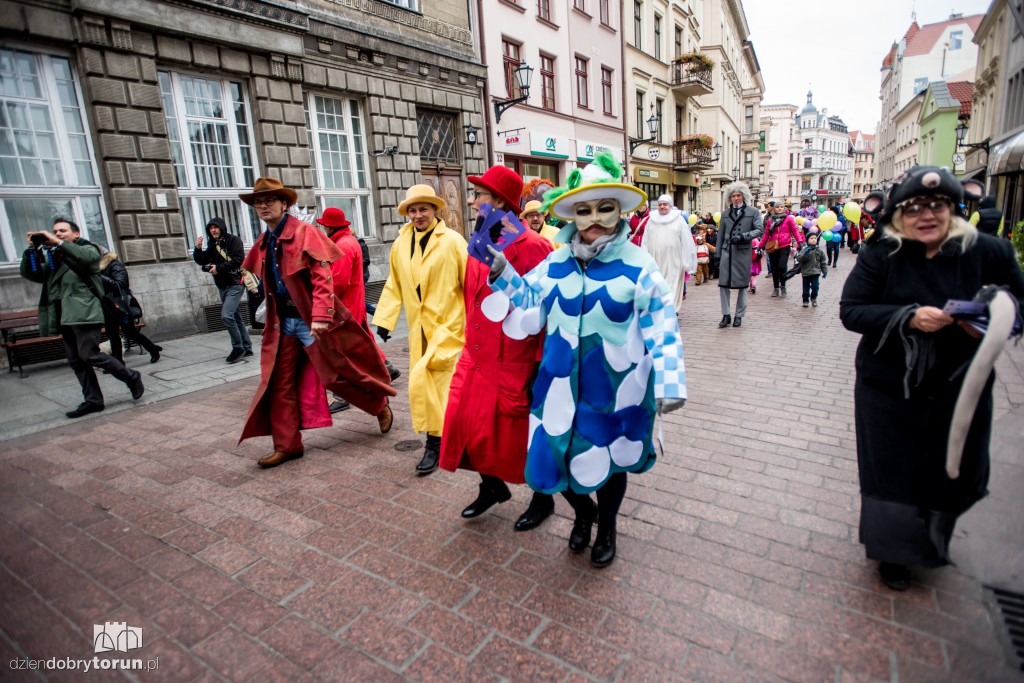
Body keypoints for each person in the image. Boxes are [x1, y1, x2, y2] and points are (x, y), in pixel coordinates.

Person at [486, 151, 687, 567]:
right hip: (558, 386)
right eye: (584, 209)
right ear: (572, 215)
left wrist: (669, 384)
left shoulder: (639, 265)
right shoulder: (556, 261)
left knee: (611, 464)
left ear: (619, 210)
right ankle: (584, 514)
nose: (594, 217)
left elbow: (663, 326)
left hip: (615, 391)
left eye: (604, 207)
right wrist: (504, 272)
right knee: (554, 455)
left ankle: (607, 526)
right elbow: (531, 303)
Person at [839, 166, 1024, 591]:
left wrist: (990, 320)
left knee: (952, 469)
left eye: (937, 205)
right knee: (892, 473)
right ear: (899, 214)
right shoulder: (881, 252)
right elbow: (852, 310)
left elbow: (1019, 305)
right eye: (914, 207)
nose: (926, 215)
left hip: (959, 388)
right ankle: (894, 554)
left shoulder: (988, 252)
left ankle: (932, 534)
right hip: (888, 388)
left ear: (954, 209)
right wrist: (907, 317)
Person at [237, 178, 396, 468]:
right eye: (258, 202)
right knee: (279, 383)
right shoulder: (264, 241)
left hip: (310, 321)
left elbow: (324, 276)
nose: (263, 206)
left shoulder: (304, 232)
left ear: (284, 204)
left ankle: (378, 406)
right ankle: (287, 445)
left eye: (269, 201)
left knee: (334, 376)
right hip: (282, 322)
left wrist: (322, 316)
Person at [440, 166, 557, 531]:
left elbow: (544, 308)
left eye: (481, 196)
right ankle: (491, 486)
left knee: (520, 434)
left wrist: (539, 365)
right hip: (475, 354)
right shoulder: (481, 238)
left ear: (502, 203)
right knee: (463, 423)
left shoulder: (536, 247)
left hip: (514, 359)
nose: (473, 202)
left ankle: (544, 498)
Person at [372, 184, 467, 475]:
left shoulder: (453, 241)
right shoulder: (401, 243)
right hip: (419, 331)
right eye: (412, 210)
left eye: (422, 209)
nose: (417, 215)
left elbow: (472, 283)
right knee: (425, 387)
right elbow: (394, 282)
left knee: (444, 387)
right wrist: (385, 320)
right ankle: (435, 441)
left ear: (435, 209)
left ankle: (442, 442)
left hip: (449, 327)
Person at [20, 219, 144, 418]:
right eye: (54, 231)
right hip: (64, 314)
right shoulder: (55, 256)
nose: (57, 234)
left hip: (85, 312)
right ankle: (93, 400)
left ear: (75, 234)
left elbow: (88, 261)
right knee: (76, 360)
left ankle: (131, 377)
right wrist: (31, 251)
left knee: (89, 354)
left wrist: (58, 242)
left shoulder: (87, 248)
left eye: (62, 231)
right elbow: (34, 274)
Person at [315, 207, 398, 414]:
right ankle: (386, 368)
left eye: (324, 224)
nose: (322, 227)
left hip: (345, 306)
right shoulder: (347, 241)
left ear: (329, 226)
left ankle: (342, 396)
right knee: (364, 342)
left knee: (340, 352)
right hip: (354, 303)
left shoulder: (342, 244)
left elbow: (338, 281)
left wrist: (322, 297)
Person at [193, 217, 253, 364]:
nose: (213, 230)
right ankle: (247, 346)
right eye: (211, 228)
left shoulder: (233, 240)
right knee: (235, 316)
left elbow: (238, 259)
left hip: (235, 283)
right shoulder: (212, 244)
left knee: (227, 316)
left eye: (216, 227)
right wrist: (197, 249)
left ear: (221, 227)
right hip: (222, 285)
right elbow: (203, 261)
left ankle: (238, 347)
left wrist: (218, 268)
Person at [98, 251, 162, 364]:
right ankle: (118, 363)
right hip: (107, 305)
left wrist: (98, 276)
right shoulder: (95, 268)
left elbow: (121, 283)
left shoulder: (114, 264)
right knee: (112, 334)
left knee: (130, 332)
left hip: (120, 305)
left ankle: (153, 349)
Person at [716, 182, 763, 327]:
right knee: (723, 284)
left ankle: (739, 315)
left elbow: (759, 230)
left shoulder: (753, 212)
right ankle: (726, 315)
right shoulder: (725, 214)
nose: (736, 198)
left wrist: (744, 236)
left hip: (742, 252)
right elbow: (721, 235)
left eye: (738, 195)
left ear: (744, 196)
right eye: (733, 196)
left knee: (742, 286)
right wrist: (717, 255)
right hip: (726, 252)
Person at [640, 195, 697, 310]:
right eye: (660, 204)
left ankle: (672, 309)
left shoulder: (679, 220)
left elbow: (686, 241)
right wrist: (644, 257)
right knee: (658, 285)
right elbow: (645, 240)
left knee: (673, 284)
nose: (662, 207)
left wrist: (687, 261)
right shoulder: (651, 220)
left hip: (674, 260)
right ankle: (660, 309)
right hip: (655, 260)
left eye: (665, 204)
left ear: (670, 206)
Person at [762, 203, 802, 298]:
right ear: (774, 209)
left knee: (782, 266)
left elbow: (795, 231)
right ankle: (776, 288)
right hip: (773, 247)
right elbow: (766, 234)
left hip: (784, 246)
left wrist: (800, 241)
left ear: (784, 208)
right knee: (774, 268)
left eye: (781, 207)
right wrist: (760, 245)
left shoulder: (788, 219)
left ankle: (783, 286)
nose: (779, 209)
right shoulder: (770, 220)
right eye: (777, 207)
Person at [796, 232, 827, 308]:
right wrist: (805, 254)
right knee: (805, 288)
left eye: (815, 238)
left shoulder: (819, 251)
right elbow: (799, 259)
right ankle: (805, 300)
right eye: (811, 238)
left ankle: (814, 298)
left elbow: (823, 262)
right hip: (806, 272)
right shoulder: (804, 250)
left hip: (816, 272)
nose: (813, 240)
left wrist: (825, 271)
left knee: (815, 287)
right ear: (807, 240)